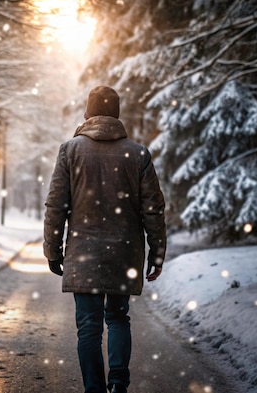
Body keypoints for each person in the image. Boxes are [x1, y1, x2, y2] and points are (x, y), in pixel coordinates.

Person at [43, 86, 167, 393]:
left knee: (88, 328)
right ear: (117, 114)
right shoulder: (138, 154)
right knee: (118, 318)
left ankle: (95, 389)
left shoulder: (70, 151)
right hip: (124, 253)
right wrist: (157, 252)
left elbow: (56, 205)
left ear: (88, 113)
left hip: (83, 252)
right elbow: (153, 208)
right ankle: (118, 384)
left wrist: (53, 250)